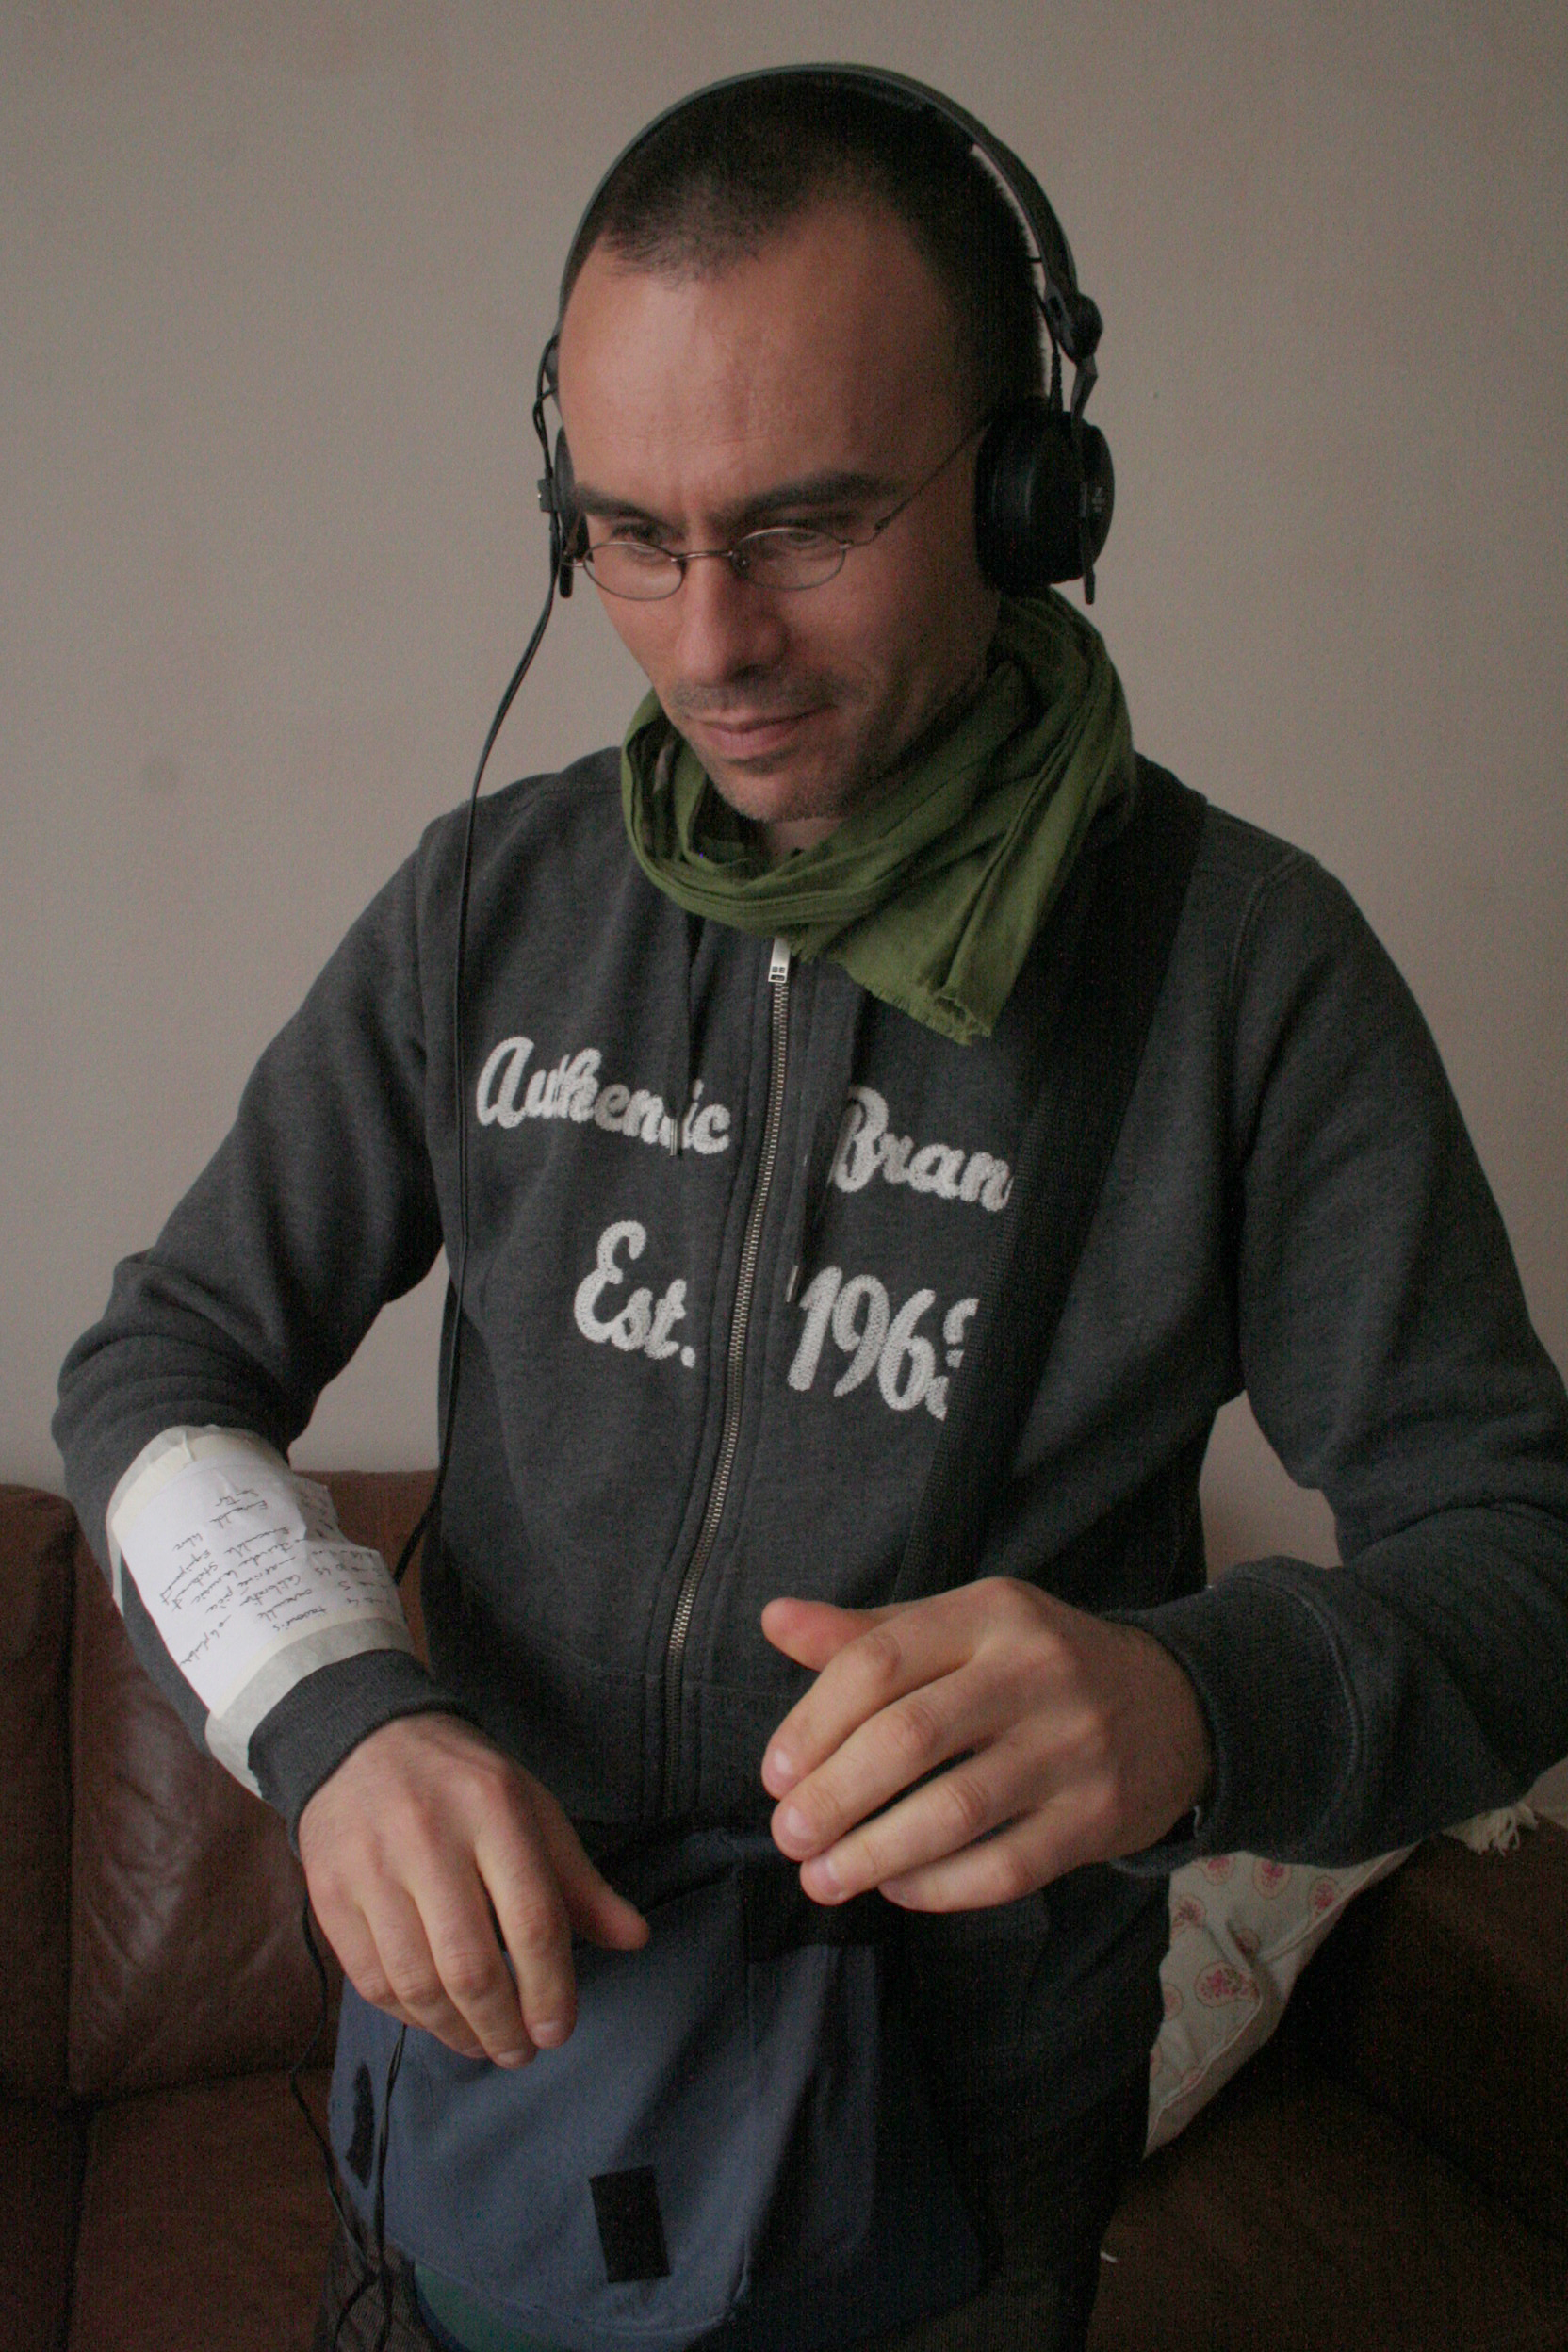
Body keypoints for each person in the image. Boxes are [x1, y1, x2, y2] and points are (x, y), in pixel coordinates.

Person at [54, 67, 1568, 2352]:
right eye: (627, 534)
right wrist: (329, 1717)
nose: (705, 642)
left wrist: (1188, 1698)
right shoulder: (491, 907)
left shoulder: (1247, 969)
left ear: (1034, 485)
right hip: (483, 2122)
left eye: (806, 524)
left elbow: (1518, 1571)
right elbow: (158, 1370)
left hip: (939, 2192)